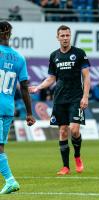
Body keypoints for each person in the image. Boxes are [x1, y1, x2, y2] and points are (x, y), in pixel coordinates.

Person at [29, 25, 91, 175]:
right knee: (63, 131)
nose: (65, 38)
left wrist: (85, 96)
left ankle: (77, 156)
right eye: (62, 36)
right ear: (57, 38)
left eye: (67, 35)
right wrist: (39, 87)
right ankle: (65, 167)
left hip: (76, 97)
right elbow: (51, 78)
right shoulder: (54, 56)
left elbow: (87, 76)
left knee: (74, 130)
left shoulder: (79, 53)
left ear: (70, 36)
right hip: (60, 98)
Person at [0, 21, 35, 194]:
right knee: (0, 147)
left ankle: (10, 180)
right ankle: (9, 181)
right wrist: (29, 113)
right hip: (8, 108)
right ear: (9, 34)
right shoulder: (19, 58)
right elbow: (24, 87)